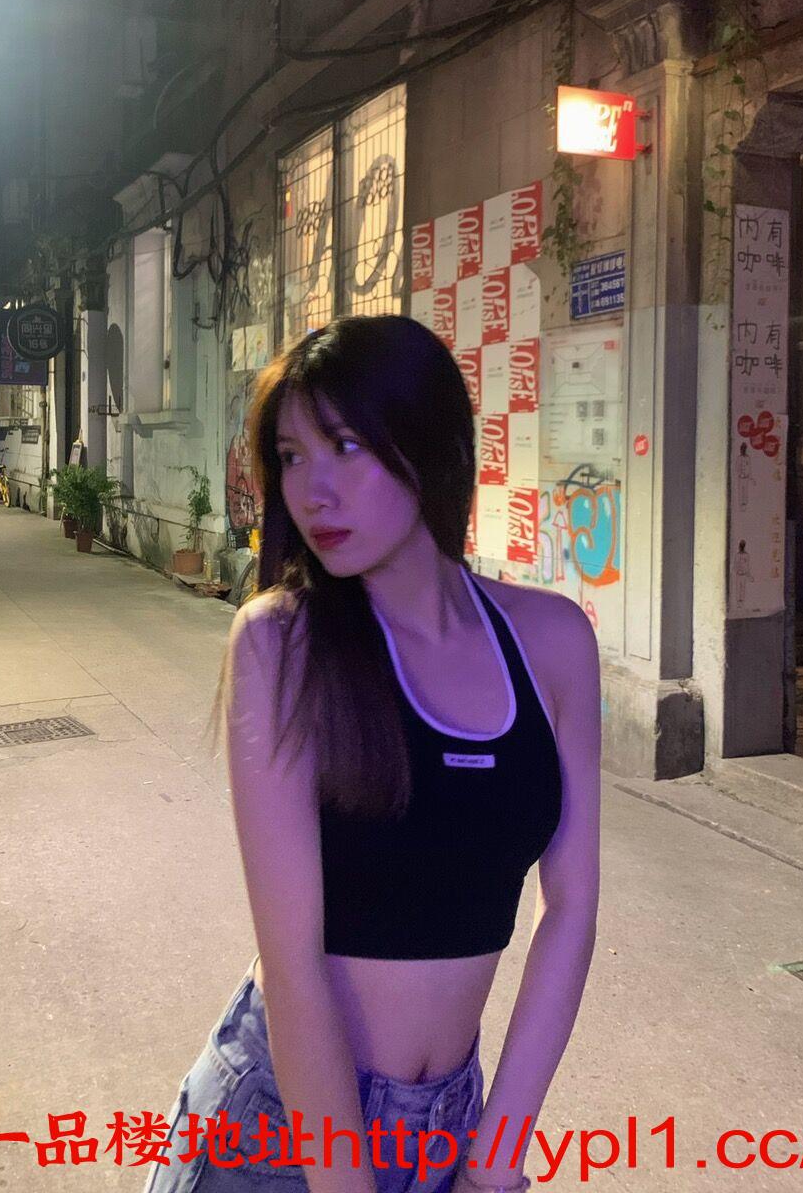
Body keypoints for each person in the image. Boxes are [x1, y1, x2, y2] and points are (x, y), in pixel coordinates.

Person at [143, 315, 601, 1193]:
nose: (312, 491)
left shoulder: (551, 642)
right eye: (291, 456)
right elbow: (292, 964)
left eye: (345, 446)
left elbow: (571, 908)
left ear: (428, 445)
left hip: (449, 1125)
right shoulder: (281, 644)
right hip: (287, 1126)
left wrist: (493, 1163)